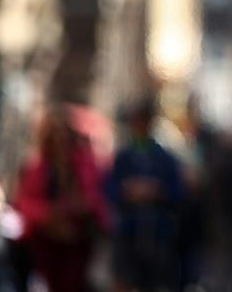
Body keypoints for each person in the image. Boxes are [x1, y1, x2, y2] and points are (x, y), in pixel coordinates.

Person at [15, 105, 110, 292]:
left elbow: (96, 198)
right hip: (47, 240)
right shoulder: (38, 168)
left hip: (78, 238)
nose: (60, 142)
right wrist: (49, 214)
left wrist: (76, 209)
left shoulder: (85, 166)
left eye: (64, 137)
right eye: (55, 137)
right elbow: (25, 203)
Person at [104, 95, 184, 292]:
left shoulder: (164, 158)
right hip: (128, 231)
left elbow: (178, 193)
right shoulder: (123, 157)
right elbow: (109, 189)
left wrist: (157, 191)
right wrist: (127, 191)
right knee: (124, 280)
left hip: (157, 234)